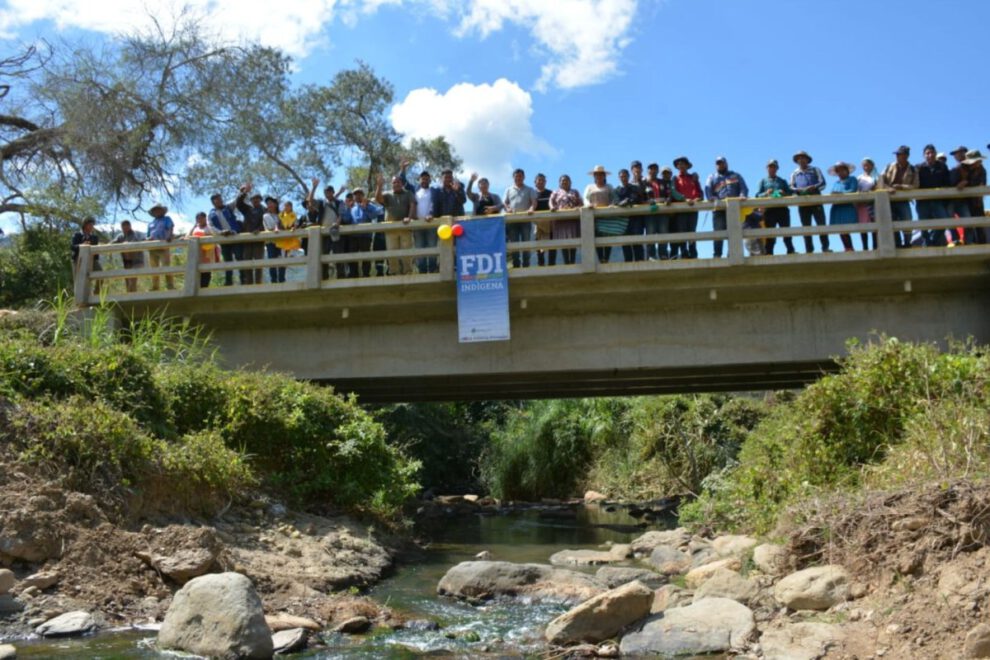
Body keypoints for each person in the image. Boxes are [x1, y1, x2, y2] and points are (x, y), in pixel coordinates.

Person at [704, 156, 749, 258]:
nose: (720, 165)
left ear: (726, 164)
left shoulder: (736, 175)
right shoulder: (712, 177)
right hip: (718, 209)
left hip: (734, 209)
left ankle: (732, 254)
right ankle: (717, 255)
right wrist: (711, 197)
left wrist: (742, 195)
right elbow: (707, 190)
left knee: (734, 231)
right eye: (718, 163)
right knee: (718, 232)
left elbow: (744, 188)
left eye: (722, 163)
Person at [376, 172, 417, 276]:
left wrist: (409, 217)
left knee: (406, 252)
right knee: (392, 252)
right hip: (391, 229)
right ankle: (394, 273)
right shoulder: (387, 194)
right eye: (394, 182)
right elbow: (378, 199)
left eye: (398, 182)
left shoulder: (408, 193)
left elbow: (412, 205)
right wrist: (379, 186)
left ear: (402, 183)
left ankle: (408, 273)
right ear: (391, 184)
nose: (396, 184)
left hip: (405, 227)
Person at [789, 151, 830, 253]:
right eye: (799, 158)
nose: (801, 160)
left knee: (821, 224)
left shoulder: (815, 170)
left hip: (816, 201)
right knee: (806, 226)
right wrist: (798, 190)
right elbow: (791, 187)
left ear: (807, 159)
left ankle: (825, 247)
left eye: (803, 158)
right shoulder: (794, 173)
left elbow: (823, 183)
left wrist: (814, 187)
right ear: (797, 161)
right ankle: (809, 250)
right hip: (802, 203)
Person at [879, 146, 918, 248]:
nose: (897, 156)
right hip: (890, 199)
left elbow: (915, 185)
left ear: (906, 156)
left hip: (904, 200)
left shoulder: (913, 169)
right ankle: (897, 243)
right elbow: (881, 181)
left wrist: (901, 187)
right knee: (891, 221)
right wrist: (888, 188)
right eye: (897, 154)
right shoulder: (889, 166)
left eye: (899, 154)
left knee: (907, 219)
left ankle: (907, 243)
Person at [307, 179, 346, 278]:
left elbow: (341, 214)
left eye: (329, 191)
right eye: (326, 192)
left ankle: (341, 276)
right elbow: (310, 201)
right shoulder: (321, 203)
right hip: (324, 233)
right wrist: (314, 187)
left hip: (336, 231)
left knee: (338, 254)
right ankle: (324, 277)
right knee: (324, 254)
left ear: (333, 192)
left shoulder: (339, 202)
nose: (327, 193)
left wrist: (336, 223)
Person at [755, 160, 795, 255]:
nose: (772, 168)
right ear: (767, 168)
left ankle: (790, 251)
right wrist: (766, 193)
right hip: (769, 210)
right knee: (770, 234)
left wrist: (783, 193)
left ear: (777, 169)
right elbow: (757, 195)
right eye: (770, 167)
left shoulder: (782, 181)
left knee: (786, 232)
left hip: (782, 209)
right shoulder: (763, 181)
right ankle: (769, 253)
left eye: (774, 167)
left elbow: (790, 193)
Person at [916, 144, 951, 246]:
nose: (930, 155)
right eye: (927, 153)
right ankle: (927, 243)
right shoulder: (918, 167)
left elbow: (947, 182)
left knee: (944, 221)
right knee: (923, 225)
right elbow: (914, 183)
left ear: (935, 154)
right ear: (924, 155)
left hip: (937, 200)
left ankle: (932, 241)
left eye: (932, 153)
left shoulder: (942, 166)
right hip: (922, 200)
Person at [643, 163, 680, 260]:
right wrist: (647, 201)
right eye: (651, 169)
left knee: (663, 232)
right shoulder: (644, 183)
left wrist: (668, 199)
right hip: (649, 212)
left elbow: (669, 193)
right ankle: (651, 256)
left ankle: (663, 254)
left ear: (657, 171)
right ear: (648, 171)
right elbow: (641, 196)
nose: (653, 171)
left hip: (663, 212)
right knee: (650, 233)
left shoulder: (663, 182)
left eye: (655, 169)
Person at [502, 168, 536, 268]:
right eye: (516, 176)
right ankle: (516, 265)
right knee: (514, 244)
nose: (518, 178)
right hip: (512, 221)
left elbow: (534, 201)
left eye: (520, 176)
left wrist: (532, 208)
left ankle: (526, 266)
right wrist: (507, 208)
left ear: (524, 177)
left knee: (526, 243)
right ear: (513, 177)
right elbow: (504, 203)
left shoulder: (530, 189)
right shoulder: (508, 189)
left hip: (525, 220)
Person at [208, 192, 242, 286]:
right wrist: (221, 232)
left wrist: (242, 192)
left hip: (235, 237)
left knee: (239, 257)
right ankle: (228, 281)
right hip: (224, 239)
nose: (220, 201)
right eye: (217, 199)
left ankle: (243, 280)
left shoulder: (228, 207)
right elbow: (211, 227)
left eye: (220, 199)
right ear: (213, 202)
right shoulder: (211, 214)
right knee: (227, 260)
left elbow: (236, 200)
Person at [672, 156, 703, 258]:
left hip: (693, 208)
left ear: (687, 165)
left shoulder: (693, 178)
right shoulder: (675, 178)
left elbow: (700, 191)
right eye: (679, 164)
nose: (681, 166)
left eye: (683, 164)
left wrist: (698, 198)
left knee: (692, 230)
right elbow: (673, 192)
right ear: (677, 166)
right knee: (682, 230)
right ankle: (684, 252)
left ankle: (693, 252)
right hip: (681, 209)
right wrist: (684, 199)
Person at [349, 187, 384, 278]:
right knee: (352, 256)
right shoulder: (352, 207)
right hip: (353, 236)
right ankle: (354, 274)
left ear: (363, 195)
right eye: (356, 194)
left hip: (365, 236)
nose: (358, 196)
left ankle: (366, 274)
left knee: (366, 256)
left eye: (359, 194)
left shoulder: (369, 205)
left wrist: (366, 208)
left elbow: (377, 213)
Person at [550, 173, 584, 265]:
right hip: (561, 221)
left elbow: (581, 203)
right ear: (559, 182)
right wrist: (552, 207)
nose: (564, 182)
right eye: (562, 181)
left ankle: (572, 261)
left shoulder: (575, 192)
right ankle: (566, 262)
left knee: (573, 240)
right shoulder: (556, 192)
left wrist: (578, 207)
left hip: (573, 220)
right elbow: (551, 201)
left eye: (566, 180)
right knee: (563, 241)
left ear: (570, 182)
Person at [235, 185, 266, 284]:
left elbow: (266, 223)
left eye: (257, 198)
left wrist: (259, 230)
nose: (255, 200)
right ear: (251, 200)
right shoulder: (247, 209)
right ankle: (248, 283)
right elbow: (238, 203)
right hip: (247, 239)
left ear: (260, 200)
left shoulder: (264, 210)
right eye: (253, 199)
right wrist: (244, 192)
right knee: (247, 261)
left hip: (259, 240)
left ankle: (258, 284)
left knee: (258, 263)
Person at [607, 168, 638, 263]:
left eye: (625, 176)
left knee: (637, 241)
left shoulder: (634, 188)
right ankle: (628, 261)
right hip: (621, 220)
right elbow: (616, 201)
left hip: (635, 218)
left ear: (628, 177)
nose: (623, 178)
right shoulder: (616, 190)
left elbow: (635, 198)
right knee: (625, 242)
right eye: (621, 176)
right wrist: (622, 203)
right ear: (619, 178)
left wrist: (626, 201)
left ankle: (639, 260)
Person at [828, 162, 858, 252]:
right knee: (840, 228)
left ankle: (851, 247)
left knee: (846, 226)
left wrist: (841, 194)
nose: (841, 172)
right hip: (837, 207)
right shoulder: (836, 183)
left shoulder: (852, 179)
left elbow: (853, 190)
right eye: (838, 171)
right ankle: (847, 247)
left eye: (843, 170)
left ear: (847, 171)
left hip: (847, 206)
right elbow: (832, 192)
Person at [411, 170, 437, 273]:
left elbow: (436, 205)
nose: (424, 181)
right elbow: (403, 181)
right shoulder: (415, 191)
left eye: (427, 179)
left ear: (430, 180)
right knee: (419, 247)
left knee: (432, 246)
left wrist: (431, 214)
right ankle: (421, 270)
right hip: (418, 225)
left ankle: (432, 269)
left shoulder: (434, 191)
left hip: (431, 224)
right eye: (423, 179)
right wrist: (403, 169)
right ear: (419, 180)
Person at [145, 202, 175, 290]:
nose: (157, 212)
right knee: (154, 268)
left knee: (166, 266)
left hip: (163, 246)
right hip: (152, 247)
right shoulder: (151, 223)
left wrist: (169, 236)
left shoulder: (167, 219)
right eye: (155, 210)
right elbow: (147, 235)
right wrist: (148, 239)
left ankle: (170, 286)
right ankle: (155, 287)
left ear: (162, 211)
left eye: (158, 210)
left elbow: (171, 227)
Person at [188, 211, 219, 289]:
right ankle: (195, 288)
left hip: (207, 254)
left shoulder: (209, 228)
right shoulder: (194, 228)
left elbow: (217, 233)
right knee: (195, 271)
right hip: (196, 254)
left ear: (205, 218)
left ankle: (204, 289)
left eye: (202, 218)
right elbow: (187, 236)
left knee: (206, 271)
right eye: (198, 218)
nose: (200, 220)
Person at [962, 150, 987, 244]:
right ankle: (969, 243)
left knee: (980, 225)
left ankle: (982, 243)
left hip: (978, 202)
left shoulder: (982, 170)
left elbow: (983, 184)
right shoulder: (963, 169)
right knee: (968, 224)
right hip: (966, 201)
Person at [71, 217, 102, 294]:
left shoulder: (94, 237)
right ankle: (79, 298)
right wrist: (82, 245)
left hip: (92, 260)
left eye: (92, 225)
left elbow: (96, 250)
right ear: (85, 225)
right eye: (90, 224)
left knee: (101, 274)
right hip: (78, 260)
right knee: (78, 280)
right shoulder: (77, 235)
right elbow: (72, 247)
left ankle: (96, 294)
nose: (91, 226)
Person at [111, 220, 144, 292]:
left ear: (130, 226)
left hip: (137, 261)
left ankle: (133, 296)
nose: (125, 227)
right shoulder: (120, 236)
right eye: (123, 226)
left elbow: (138, 241)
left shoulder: (136, 234)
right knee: (127, 281)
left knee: (132, 280)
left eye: (127, 225)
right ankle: (129, 295)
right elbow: (112, 243)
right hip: (127, 262)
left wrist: (127, 243)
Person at [623, 160, 647, 262]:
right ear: (631, 170)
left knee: (638, 236)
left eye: (638, 167)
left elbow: (642, 193)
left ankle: (639, 259)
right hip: (629, 215)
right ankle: (628, 260)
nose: (637, 169)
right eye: (634, 167)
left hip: (640, 214)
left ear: (642, 169)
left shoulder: (646, 180)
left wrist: (639, 180)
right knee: (627, 237)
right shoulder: (629, 183)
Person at [856, 158, 879, 250]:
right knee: (863, 225)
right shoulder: (859, 178)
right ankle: (865, 247)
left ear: (872, 166)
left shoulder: (877, 176)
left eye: (867, 165)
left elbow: (879, 187)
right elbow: (857, 189)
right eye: (864, 165)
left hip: (874, 202)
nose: (866, 167)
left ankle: (875, 246)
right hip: (862, 204)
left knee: (874, 223)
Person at [533, 173, 554, 266]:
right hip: (537, 223)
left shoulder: (550, 193)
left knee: (552, 244)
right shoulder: (532, 193)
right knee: (538, 244)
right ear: (535, 182)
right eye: (539, 180)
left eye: (543, 180)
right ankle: (540, 264)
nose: (541, 182)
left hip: (550, 223)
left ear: (545, 182)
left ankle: (551, 264)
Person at [261, 197, 284, 283]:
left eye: (271, 203)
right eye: (268, 204)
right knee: (272, 260)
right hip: (271, 241)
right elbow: (270, 227)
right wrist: (277, 227)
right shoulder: (265, 216)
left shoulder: (281, 215)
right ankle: (273, 280)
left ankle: (282, 279)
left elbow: (285, 225)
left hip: (281, 241)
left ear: (275, 204)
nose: (269, 205)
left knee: (282, 260)